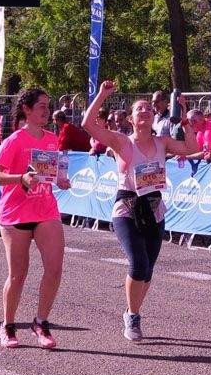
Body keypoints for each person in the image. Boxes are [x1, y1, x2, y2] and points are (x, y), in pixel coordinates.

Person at [84, 80, 201, 342]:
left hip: (154, 206)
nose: (145, 111)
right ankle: (133, 317)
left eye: (149, 108)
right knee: (137, 263)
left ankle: (131, 309)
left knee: (147, 268)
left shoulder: (162, 142)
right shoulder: (121, 141)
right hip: (127, 205)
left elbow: (192, 149)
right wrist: (102, 95)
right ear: (132, 117)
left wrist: (185, 121)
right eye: (139, 109)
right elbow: (88, 125)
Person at [0, 88, 74, 349]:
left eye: (48, 106)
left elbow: (51, 174)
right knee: (18, 275)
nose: (47, 111)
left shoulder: (51, 138)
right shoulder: (15, 140)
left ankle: (40, 322)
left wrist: (61, 180)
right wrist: (20, 178)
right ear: (27, 109)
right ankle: (8, 324)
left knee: (55, 268)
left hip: (45, 209)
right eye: (41, 107)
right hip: (16, 213)